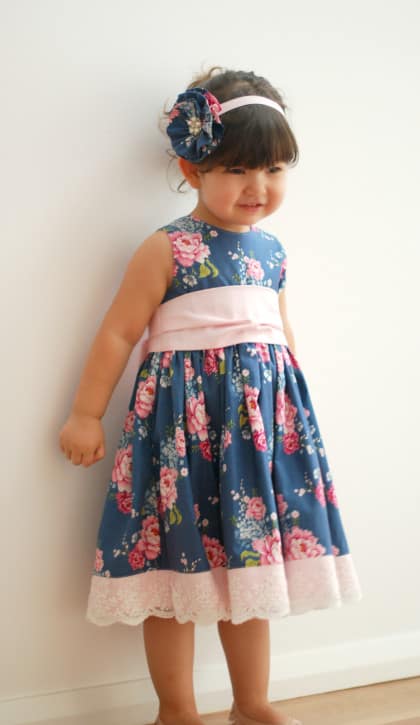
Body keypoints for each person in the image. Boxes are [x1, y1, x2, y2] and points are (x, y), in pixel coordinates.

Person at [59, 67, 362, 725]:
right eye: (239, 169)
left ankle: (251, 702)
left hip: (257, 444)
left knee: (252, 580)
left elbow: (278, 336)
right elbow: (117, 332)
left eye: (275, 169)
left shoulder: (273, 252)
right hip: (182, 436)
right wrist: (86, 412)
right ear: (192, 168)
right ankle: (177, 708)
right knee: (175, 580)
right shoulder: (169, 247)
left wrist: (288, 417)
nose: (259, 187)